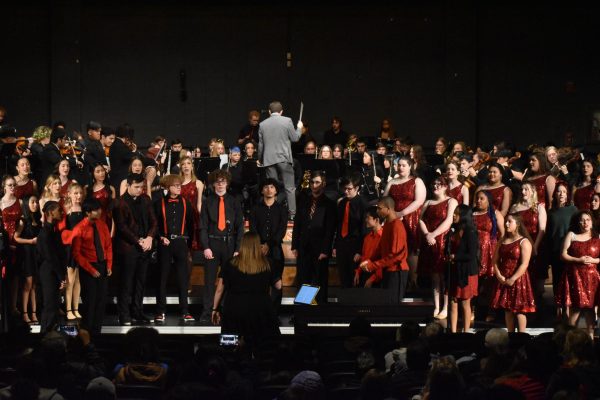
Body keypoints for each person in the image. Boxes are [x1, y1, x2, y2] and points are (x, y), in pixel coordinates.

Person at [211, 231, 281, 345]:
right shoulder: (268, 263)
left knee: (230, 345)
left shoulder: (230, 263)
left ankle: (230, 357)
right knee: (265, 345)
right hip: (261, 309)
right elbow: (278, 285)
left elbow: (219, 290)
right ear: (258, 245)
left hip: (234, 309)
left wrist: (215, 309)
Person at [199, 170, 244, 322]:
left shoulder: (234, 201)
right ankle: (207, 313)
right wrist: (205, 247)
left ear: (227, 183)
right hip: (212, 243)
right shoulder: (207, 201)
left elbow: (240, 227)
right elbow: (203, 227)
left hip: (229, 244)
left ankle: (225, 312)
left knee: (229, 280)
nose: (220, 184)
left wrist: (237, 249)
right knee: (209, 281)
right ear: (213, 184)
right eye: (217, 181)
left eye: (223, 181)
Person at [114, 173, 158, 326]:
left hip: (144, 246)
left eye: (142, 187)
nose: (140, 190)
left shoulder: (146, 200)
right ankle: (124, 315)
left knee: (141, 282)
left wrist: (150, 237)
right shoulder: (120, 202)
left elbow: (154, 221)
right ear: (128, 185)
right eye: (137, 187)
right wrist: (138, 240)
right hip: (128, 248)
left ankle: (137, 312)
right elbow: (122, 227)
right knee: (126, 283)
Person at [155, 174, 196, 323]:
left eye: (180, 185)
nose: (179, 187)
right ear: (168, 187)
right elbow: (155, 225)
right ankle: (160, 311)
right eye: (175, 185)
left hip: (181, 243)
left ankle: (185, 311)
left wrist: (189, 246)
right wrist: (160, 237)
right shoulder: (159, 203)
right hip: (165, 243)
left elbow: (191, 226)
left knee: (182, 279)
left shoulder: (186, 203)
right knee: (162, 278)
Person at [291, 170, 336, 304]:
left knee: (319, 280)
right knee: (304, 279)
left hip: (320, 249)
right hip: (304, 247)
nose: (314, 185)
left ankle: (319, 311)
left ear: (323, 184)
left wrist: (325, 249)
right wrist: (294, 245)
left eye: (317, 182)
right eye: (312, 182)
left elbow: (330, 229)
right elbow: (297, 224)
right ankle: (304, 310)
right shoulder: (303, 201)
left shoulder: (330, 204)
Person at [418, 176, 458, 319]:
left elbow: (449, 220)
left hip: (443, 240)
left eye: (439, 184)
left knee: (444, 276)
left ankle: (446, 307)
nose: (435, 186)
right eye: (434, 184)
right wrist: (428, 234)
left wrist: (433, 234)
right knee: (434, 276)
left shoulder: (451, 201)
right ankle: (436, 306)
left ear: (446, 186)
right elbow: (421, 219)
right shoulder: (428, 202)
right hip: (430, 240)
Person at [384, 156, 426, 288]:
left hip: (411, 218)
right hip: (393, 219)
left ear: (410, 167)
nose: (400, 168)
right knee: (395, 249)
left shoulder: (417, 181)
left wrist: (401, 214)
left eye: (403, 165)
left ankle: (413, 282)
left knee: (412, 249)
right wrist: (392, 215)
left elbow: (419, 201)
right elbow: (385, 200)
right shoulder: (392, 182)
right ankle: (398, 282)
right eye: (399, 165)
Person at [72, 198, 113, 335]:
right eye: (96, 210)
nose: (100, 211)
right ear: (88, 213)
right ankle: (87, 336)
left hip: (102, 265)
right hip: (88, 268)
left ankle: (97, 333)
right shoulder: (79, 228)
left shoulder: (103, 225)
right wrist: (91, 269)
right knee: (90, 303)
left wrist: (109, 264)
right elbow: (77, 254)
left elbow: (108, 246)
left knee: (101, 302)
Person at [556, 211, 600, 336]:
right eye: (582, 220)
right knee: (576, 308)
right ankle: (571, 342)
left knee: (590, 309)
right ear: (578, 222)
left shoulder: (598, 237)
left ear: (592, 222)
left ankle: (591, 341)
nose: (585, 222)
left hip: (591, 278)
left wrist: (594, 260)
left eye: (588, 219)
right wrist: (578, 260)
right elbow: (563, 255)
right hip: (575, 276)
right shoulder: (572, 235)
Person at [257, 100, 303, 220]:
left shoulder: (262, 124)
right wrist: (299, 128)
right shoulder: (287, 120)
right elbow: (295, 138)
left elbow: (260, 145)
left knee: (271, 188)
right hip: (284, 158)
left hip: (268, 159)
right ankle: (292, 214)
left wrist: (260, 159)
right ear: (281, 112)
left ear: (269, 112)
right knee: (289, 188)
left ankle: (272, 213)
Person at [359, 196, 409, 303]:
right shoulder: (387, 224)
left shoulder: (397, 225)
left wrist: (373, 265)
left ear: (388, 209)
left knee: (393, 304)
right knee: (386, 303)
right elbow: (381, 248)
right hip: (388, 270)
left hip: (397, 271)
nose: (377, 211)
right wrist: (369, 261)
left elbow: (395, 255)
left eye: (379, 208)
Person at [490, 214, 535, 332]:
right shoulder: (502, 240)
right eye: (506, 221)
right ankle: (510, 335)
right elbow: (494, 261)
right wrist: (499, 275)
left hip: (518, 279)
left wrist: (513, 278)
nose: (506, 224)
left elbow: (524, 264)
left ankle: (521, 337)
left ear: (517, 224)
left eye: (510, 222)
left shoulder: (524, 242)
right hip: (504, 278)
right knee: (508, 310)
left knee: (520, 309)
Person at [249, 178, 288, 314]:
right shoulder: (255, 208)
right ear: (261, 190)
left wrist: (268, 245)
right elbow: (253, 228)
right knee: (258, 282)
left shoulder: (282, 209)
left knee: (277, 283)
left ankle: (274, 313)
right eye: (266, 187)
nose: (269, 190)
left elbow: (281, 230)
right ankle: (259, 312)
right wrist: (260, 245)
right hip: (257, 250)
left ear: (276, 190)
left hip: (275, 249)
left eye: (272, 187)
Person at [545, 183, 578, 318]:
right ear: (555, 194)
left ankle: (569, 310)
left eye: (564, 192)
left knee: (570, 281)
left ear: (568, 194)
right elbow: (549, 234)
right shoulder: (551, 212)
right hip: (555, 251)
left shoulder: (573, 210)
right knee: (557, 281)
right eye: (559, 191)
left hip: (570, 251)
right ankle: (558, 308)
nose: (561, 194)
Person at [472, 190, 504, 322]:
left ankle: (491, 311)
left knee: (490, 283)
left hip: (490, 251)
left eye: (482, 198)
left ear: (488, 201)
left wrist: (500, 252)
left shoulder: (495, 214)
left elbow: (503, 234)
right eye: (477, 198)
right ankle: (473, 310)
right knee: (474, 282)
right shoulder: (471, 213)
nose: (478, 201)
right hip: (475, 251)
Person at [447, 205, 479, 333]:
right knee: (453, 301)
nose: (454, 215)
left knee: (465, 303)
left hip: (467, 272)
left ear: (464, 216)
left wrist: (455, 256)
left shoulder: (470, 232)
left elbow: (472, 255)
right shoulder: (454, 230)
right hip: (455, 269)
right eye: (454, 213)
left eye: (457, 213)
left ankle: (466, 332)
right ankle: (453, 333)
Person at [37, 201, 67, 332]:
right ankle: (45, 338)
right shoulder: (44, 234)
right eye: (59, 210)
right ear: (50, 213)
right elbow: (50, 257)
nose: (62, 212)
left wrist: (62, 275)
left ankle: (53, 339)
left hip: (54, 272)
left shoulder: (53, 232)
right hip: (49, 272)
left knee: (54, 306)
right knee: (50, 306)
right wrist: (61, 277)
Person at [335, 173, 368, 288]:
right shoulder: (342, 203)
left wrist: (359, 251)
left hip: (355, 246)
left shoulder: (363, 204)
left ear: (357, 188)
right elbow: (339, 226)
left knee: (355, 278)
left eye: (349, 189)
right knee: (343, 277)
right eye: (344, 188)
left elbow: (364, 229)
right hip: (342, 245)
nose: (346, 191)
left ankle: (354, 305)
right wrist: (335, 246)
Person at [13, 195, 41, 325]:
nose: (35, 204)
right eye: (32, 202)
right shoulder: (22, 221)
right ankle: (25, 313)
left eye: (36, 202)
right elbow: (16, 238)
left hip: (35, 254)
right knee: (27, 285)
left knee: (34, 285)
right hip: (26, 254)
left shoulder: (37, 220)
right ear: (26, 204)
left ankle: (34, 313)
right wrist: (31, 241)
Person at [60, 183, 85, 321]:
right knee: (70, 279)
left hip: (80, 247)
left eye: (80, 193)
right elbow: (63, 230)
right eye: (75, 193)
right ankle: (68, 308)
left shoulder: (83, 208)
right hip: (70, 247)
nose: (78, 196)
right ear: (69, 194)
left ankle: (76, 308)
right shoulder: (66, 209)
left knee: (77, 280)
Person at [1, 175, 22, 316]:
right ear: (4, 187)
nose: (12, 187)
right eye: (9, 185)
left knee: (15, 276)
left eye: (14, 185)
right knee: (4, 274)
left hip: (17, 239)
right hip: (3, 241)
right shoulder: (0, 203)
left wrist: (17, 236)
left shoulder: (19, 201)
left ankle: (13, 307)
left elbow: (21, 222)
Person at [353, 206, 383, 288]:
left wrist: (373, 278)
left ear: (376, 220)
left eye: (368, 218)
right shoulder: (367, 238)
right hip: (365, 274)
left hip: (378, 278)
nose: (365, 220)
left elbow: (384, 261)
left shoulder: (384, 237)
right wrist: (358, 272)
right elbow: (364, 258)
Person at [179, 156, 204, 252]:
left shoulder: (198, 183)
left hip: (193, 217)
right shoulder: (177, 183)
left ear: (192, 166)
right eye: (183, 164)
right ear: (181, 167)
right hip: (180, 216)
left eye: (188, 163)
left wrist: (203, 218)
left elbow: (199, 204)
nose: (186, 166)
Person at [85, 164, 116, 236]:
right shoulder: (87, 189)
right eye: (98, 171)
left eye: (102, 170)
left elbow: (114, 211)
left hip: (107, 221)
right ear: (92, 173)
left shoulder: (111, 188)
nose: (101, 173)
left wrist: (113, 229)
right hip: (93, 222)